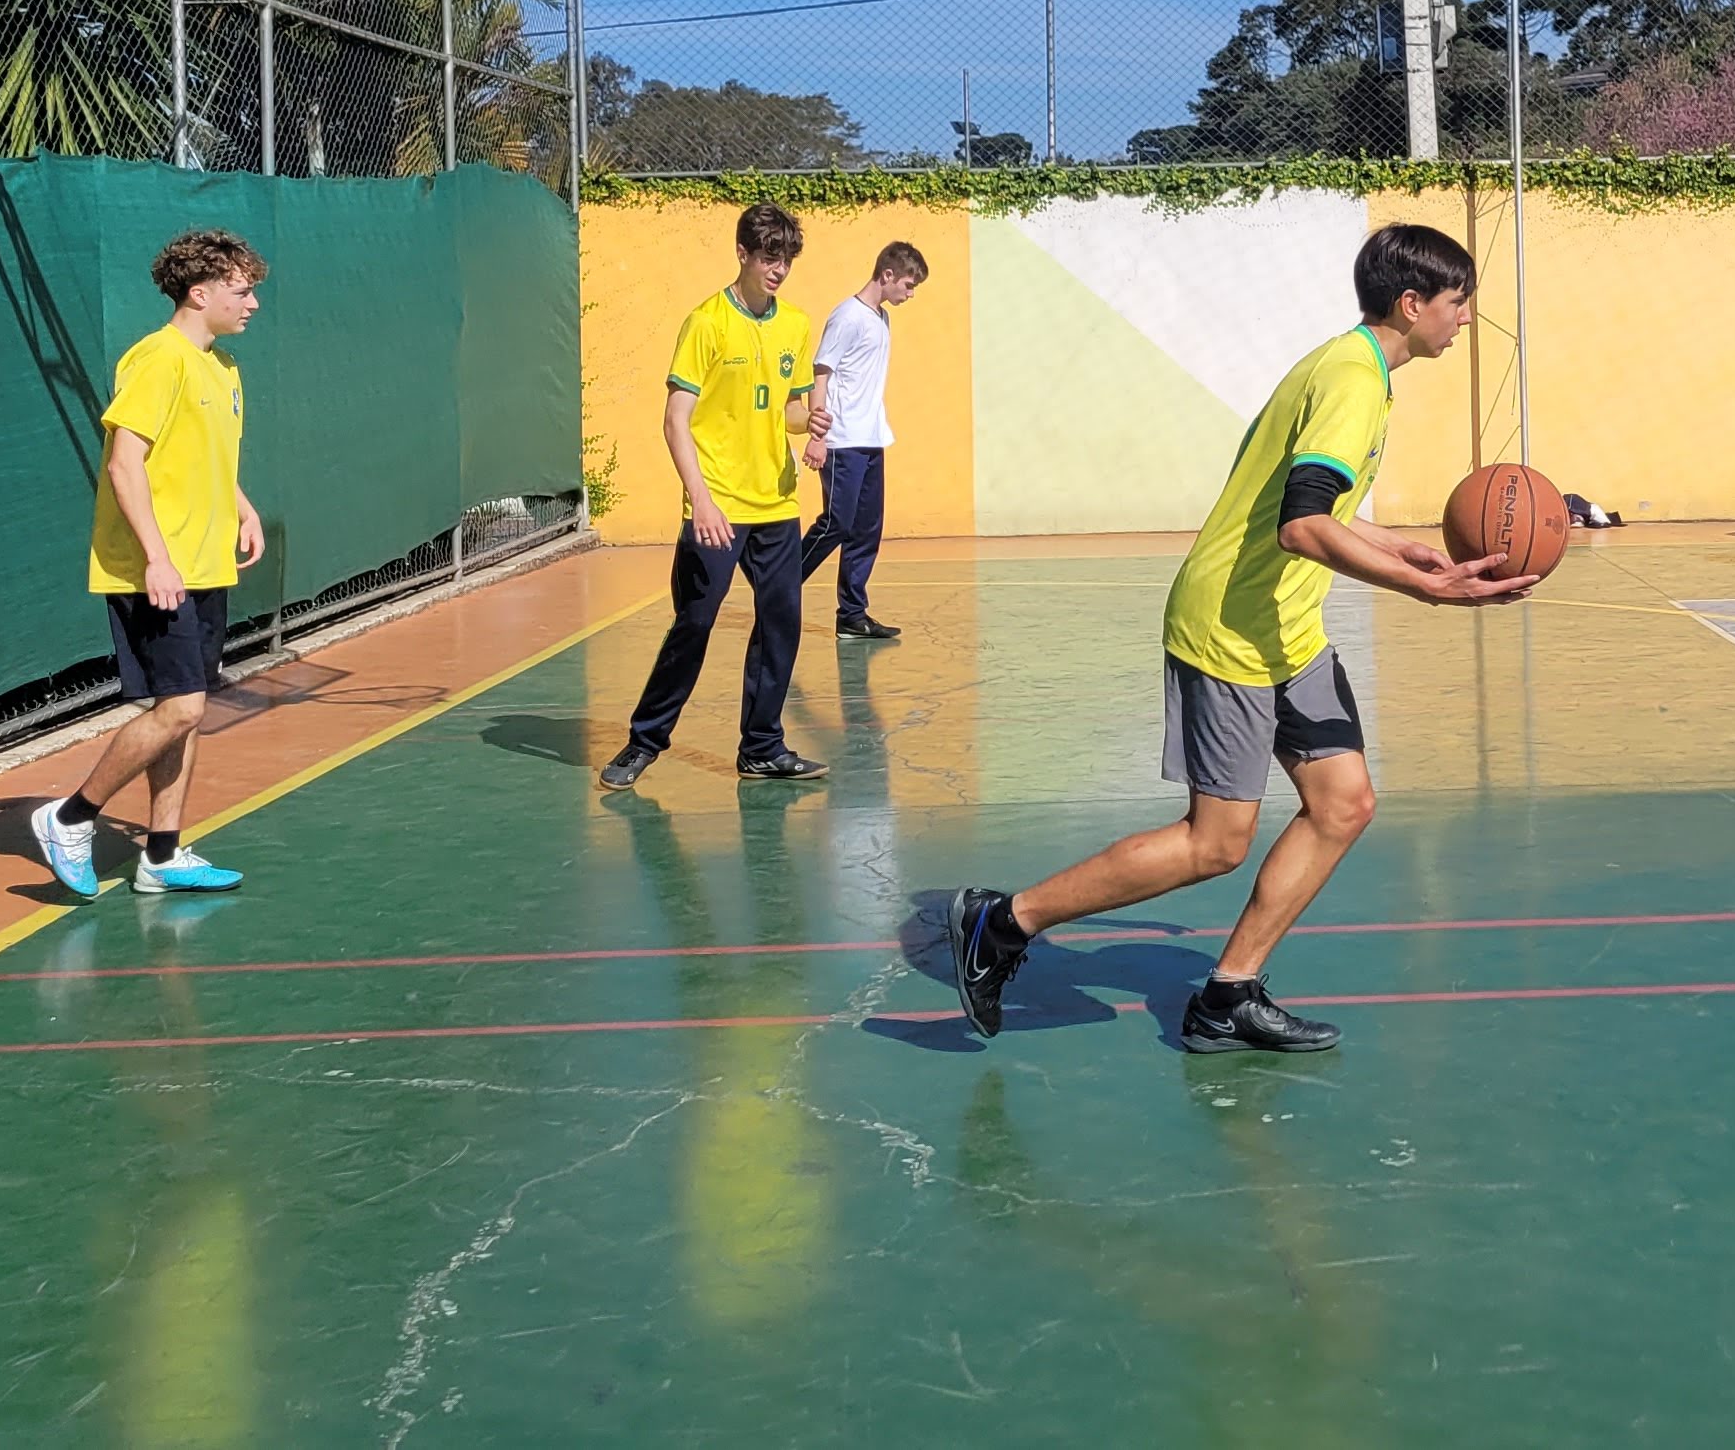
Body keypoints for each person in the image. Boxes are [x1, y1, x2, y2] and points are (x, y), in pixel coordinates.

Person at [941, 223, 1536, 1053]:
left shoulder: (1360, 367)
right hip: (1229, 629)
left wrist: (1393, 543)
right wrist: (1424, 586)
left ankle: (1228, 995)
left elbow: (1316, 505)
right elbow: (1300, 527)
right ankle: (1003, 924)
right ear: (1413, 304)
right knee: (1211, 845)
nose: (1466, 319)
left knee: (1344, 804)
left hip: (1288, 631)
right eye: (1458, 301)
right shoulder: (1352, 380)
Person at [29, 230, 267, 899]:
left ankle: (162, 855)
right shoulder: (158, 359)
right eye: (242, 291)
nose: (252, 304)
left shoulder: (221, 368)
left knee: (183, 707)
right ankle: (69, 818)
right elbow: (124, 462)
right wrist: (157, 560)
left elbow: (199, 457)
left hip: (204, 562)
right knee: (182, 709)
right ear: (201, 291)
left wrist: (241, 507)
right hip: (154, 569)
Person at [601, 203, 830, 788]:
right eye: (768, 257)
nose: (778, 269)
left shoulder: (795, 325)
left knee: (781, 623)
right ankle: (644, 740)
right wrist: (700, 500)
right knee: (694, 624)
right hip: (718, 506)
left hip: (777, 504)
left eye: (785, 259)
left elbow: (791, 411)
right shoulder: (706, 322)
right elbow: (676, 420)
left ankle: (761, 747)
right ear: (743, 254)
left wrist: (814, 425)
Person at [798, 241, 926, 641]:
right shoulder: (847, 316)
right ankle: (779, 585)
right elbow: (821, 373)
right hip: (842, 440)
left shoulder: (881, 319)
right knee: (836, 522)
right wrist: (817, 436)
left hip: (871, 439)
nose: (910, 294)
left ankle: (852, 615)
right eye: (908, 284)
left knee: (866, 530)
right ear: (887, 275)